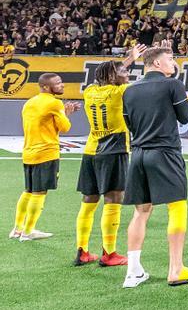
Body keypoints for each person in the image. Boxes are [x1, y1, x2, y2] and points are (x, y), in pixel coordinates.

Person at [120, 46, 188, 288]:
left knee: (141, 211)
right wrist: (175, 82)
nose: (173, 63)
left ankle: (133, 272)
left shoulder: (129, 90)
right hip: (165, 153)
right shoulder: (172, 85)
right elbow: (186, 117)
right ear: (157, 63)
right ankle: (176, 269)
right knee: (177, 206)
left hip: (138, 154)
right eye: (170, 59)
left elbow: (130, 123)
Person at [73, 44, 146, 266]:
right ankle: (109, 253)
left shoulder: (90, 92)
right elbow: (143, 85)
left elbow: (106, 75)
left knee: (89, 200)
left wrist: (127, 61)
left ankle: (82, 251)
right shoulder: (120, 91)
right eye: (124, 73)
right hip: (114, 149)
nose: (127, 75)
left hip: (91, 150)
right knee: (114, 199)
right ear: (113, 77)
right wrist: (133, 61)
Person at [12, 73, 79, 241]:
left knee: (28, 190)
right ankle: (29, 231)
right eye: (58, 83)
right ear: (46, 87)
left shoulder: (29, 102)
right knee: (40, 193)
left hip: (28, 152)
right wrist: (67, 113)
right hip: (46, 152)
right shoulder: (55, 103)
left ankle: (17, 229)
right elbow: (65, 128)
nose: (62, 85)